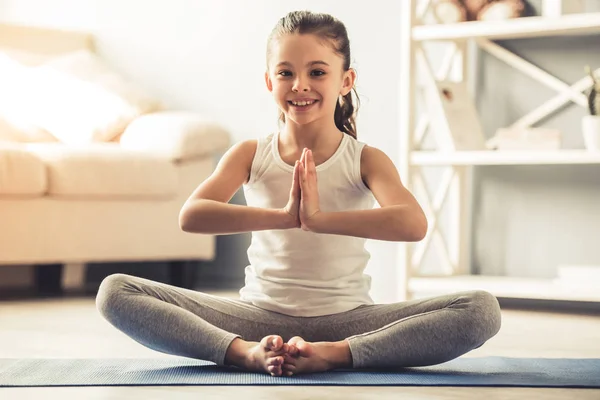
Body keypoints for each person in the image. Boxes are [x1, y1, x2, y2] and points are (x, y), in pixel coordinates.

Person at [96, 10, 501, 377]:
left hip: (347, 320)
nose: (300, 85)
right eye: (286, 73)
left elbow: (413, 224)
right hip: (256, 316)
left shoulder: (365, 159)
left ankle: (337, 354)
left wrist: (320, 220)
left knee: (481, 310)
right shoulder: (251, 153)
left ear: (346, 81)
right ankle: (245, 354)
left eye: (318, 72)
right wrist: (285, 216)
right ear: (270, 81)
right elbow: (193, 215)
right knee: (115, 291)